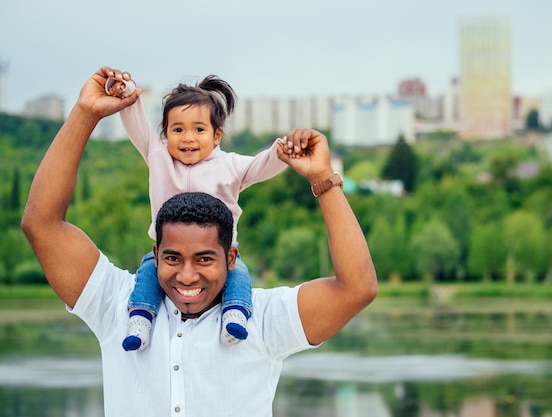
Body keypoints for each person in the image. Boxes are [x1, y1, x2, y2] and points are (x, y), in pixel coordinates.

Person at [21, 66, 377, 417]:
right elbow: (42, 225)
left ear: (231, 258)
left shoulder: (264, 320)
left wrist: (322, 178)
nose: (187, 276)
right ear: (156, 253)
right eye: (173, 258)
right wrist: (86, 113)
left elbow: (356, 289)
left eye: (205, 259)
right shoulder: (117, 306)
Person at [105, 71, 290, 351]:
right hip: (167, 247)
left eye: (199, 130)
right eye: (177, 130)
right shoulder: (159, 157)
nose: (188, 138)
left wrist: (282, 150)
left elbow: (262, 165)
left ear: (217, 135)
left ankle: (235, 313)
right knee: (147, 273)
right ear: (165, 134)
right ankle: (141, 318)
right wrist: (125, 90)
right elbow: (137, 124)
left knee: (238, 273)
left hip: (220, 249)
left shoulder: (230, 165)